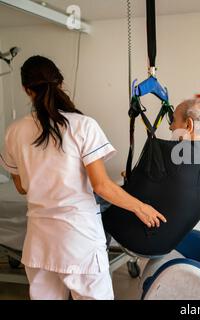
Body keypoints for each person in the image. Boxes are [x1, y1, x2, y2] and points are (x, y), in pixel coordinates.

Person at [0, 56, 166, 300]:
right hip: (78, 240)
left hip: (39, 243)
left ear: (26, 90)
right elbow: (101, 186)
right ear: (60, 82)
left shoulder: (13, 132)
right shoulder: (82, 125)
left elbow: (23, 187)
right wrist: (141, 207)